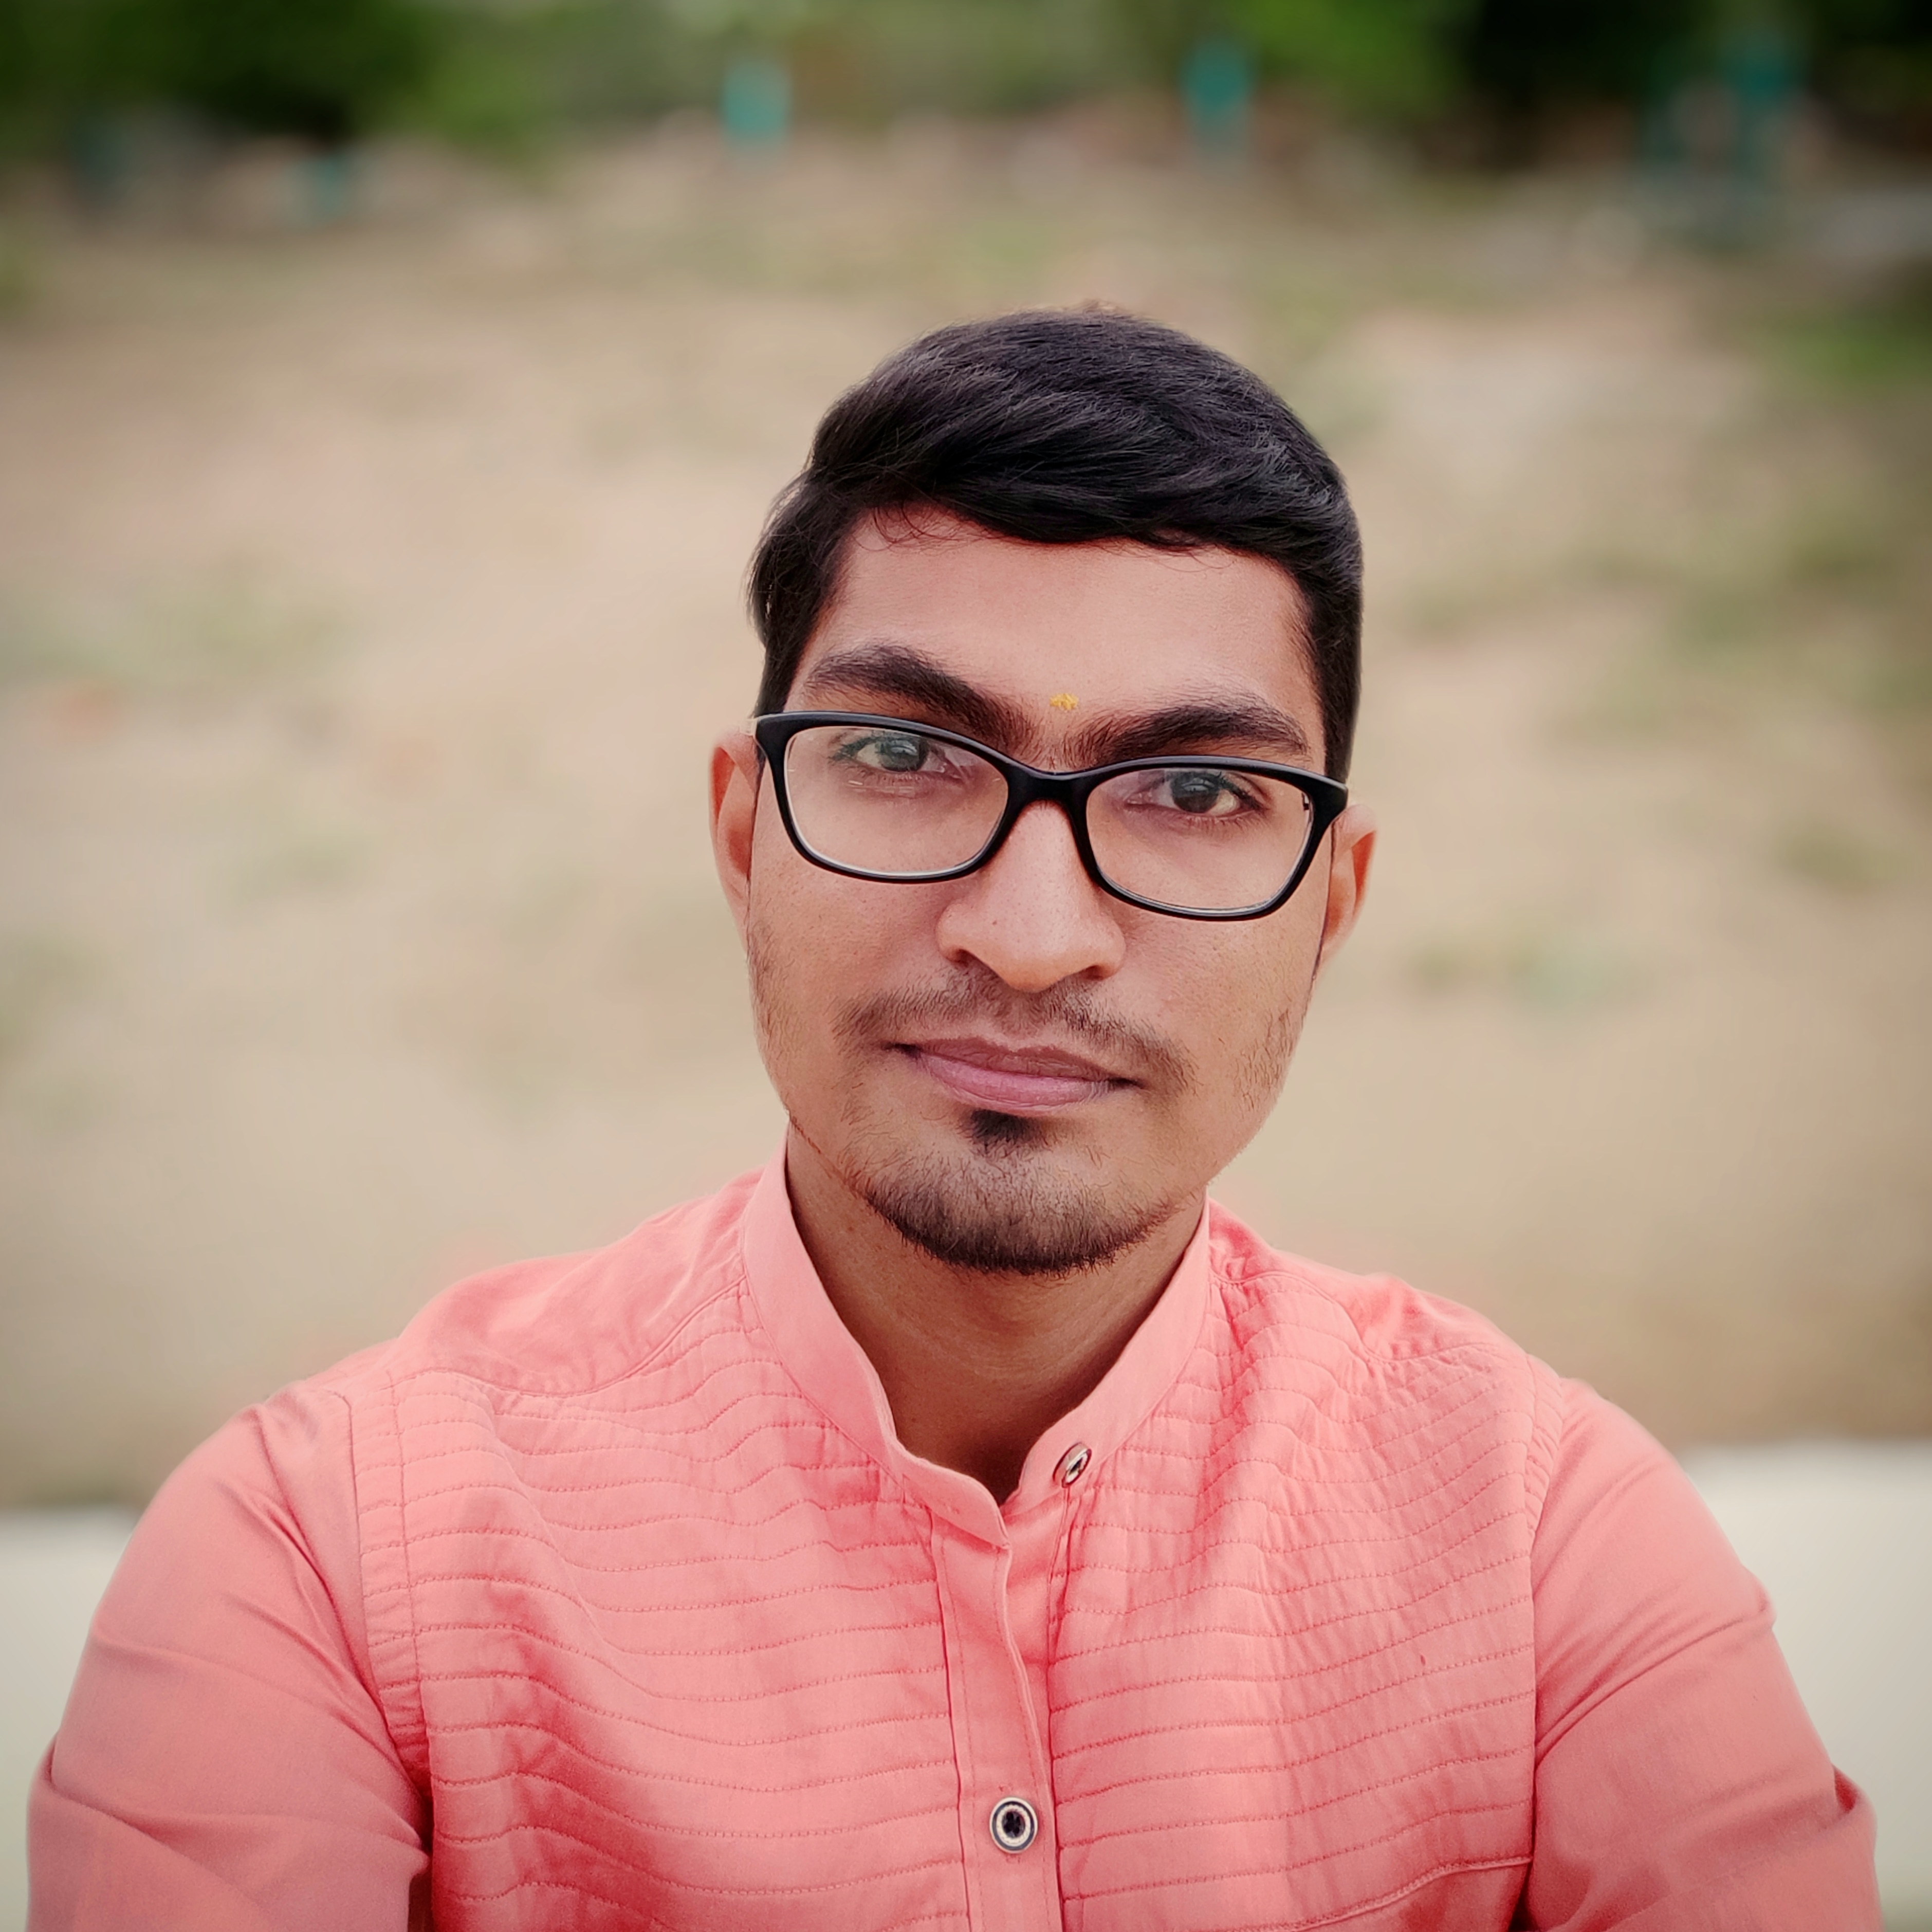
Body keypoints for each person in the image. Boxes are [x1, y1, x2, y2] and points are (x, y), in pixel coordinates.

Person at [30, 309, 1878, 1930]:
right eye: (906, 756)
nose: (1032, 933)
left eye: (1195, 792)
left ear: (1333, 901)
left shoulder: (1551, 1553)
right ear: (744, 834)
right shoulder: (332, 1561)